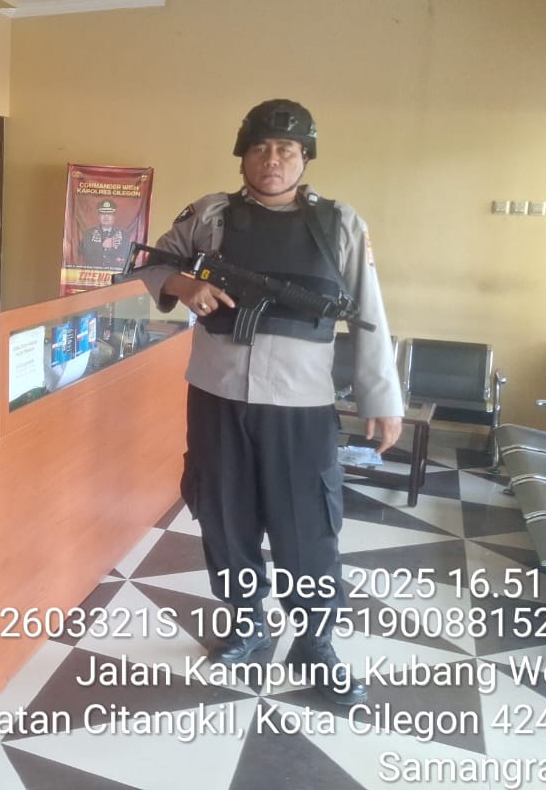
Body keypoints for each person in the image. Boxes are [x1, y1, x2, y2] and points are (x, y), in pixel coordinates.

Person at [137, 98, 403, 707]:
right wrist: (183, 283)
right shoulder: (209, 215)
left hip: (300, 407)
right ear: (243, 156)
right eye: (260, 147)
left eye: (286, 149)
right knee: (225, 518)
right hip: (216, 396)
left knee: (306, 527)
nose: (272, 159)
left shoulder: (339, 224)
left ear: (305, 158)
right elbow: (149, 263)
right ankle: (247, 623)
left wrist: (381, 398)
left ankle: (315, 642)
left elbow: (370, 314)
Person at [79, 198, 126, 269]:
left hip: (115, 274)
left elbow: (125, 254)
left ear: (114, 217)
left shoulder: (123, 234)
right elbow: (83, 251)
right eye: (103, 214)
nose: (106, 217)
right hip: (92, 273)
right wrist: (102, 246)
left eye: (109, 214)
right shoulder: (89, 233)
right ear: (98, 217)